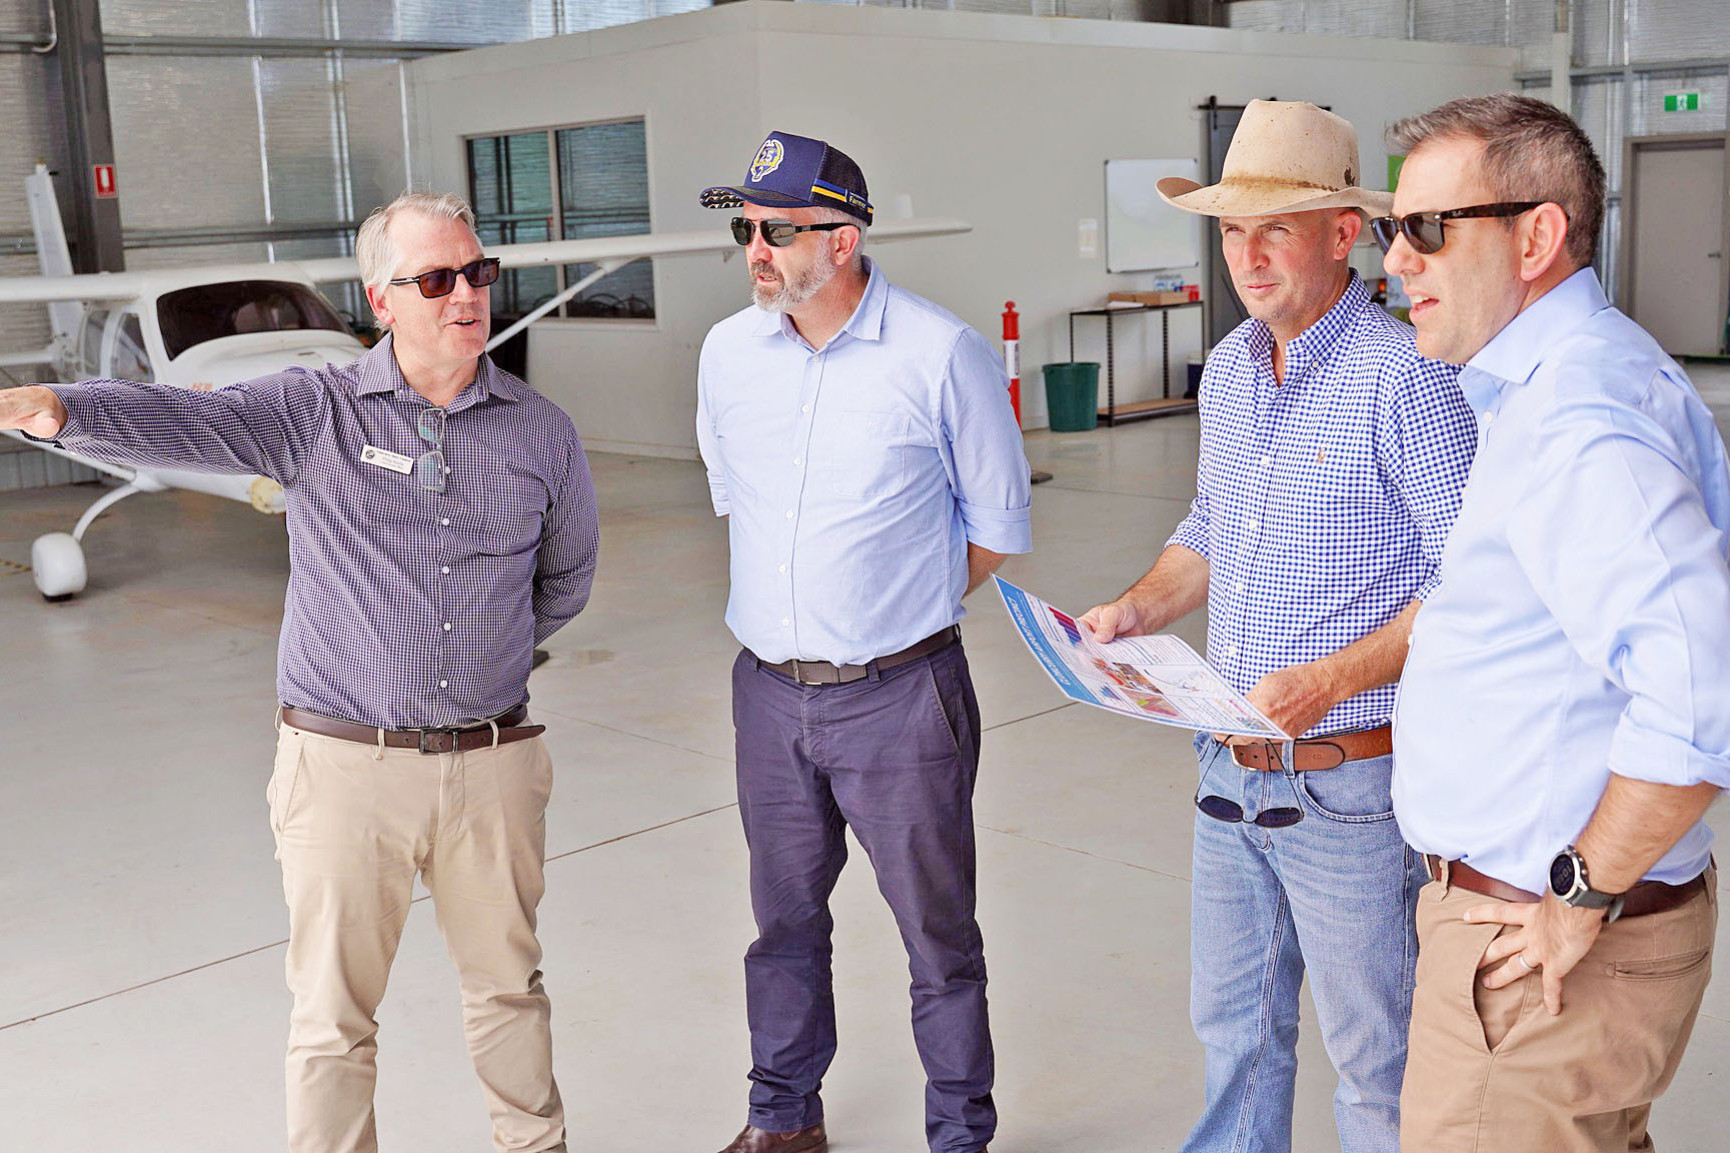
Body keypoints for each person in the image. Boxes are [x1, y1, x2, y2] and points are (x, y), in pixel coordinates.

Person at [0, 191, 599, 1153]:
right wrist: (61, 409)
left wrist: (476, 653)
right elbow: (179, 421)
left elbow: (565, 581)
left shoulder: (542, 431)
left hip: (491, 766)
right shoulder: (311, 409)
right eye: (436, 279)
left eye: (478, 274)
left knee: (509, 993)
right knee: (333, 1018)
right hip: (344, 770)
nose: (466, 298)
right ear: (382, 300)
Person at [1078, 100, 1475, 1153]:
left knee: (1372, 1059)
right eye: (1228, 231)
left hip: (1346, 783)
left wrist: (1335, 678)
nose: (1245, 257)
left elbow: (1471, 582)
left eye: (1274, 229)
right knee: (1233, 1036)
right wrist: (1135, 607)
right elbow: (1209, 527)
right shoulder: (1231, 371)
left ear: (1342, 235)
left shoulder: (1407, 379)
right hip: (1224, 767)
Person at [1379, 92, 1730, 1152]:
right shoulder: (1543, 390)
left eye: (1427, 230)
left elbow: (1696, 694)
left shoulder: (1577, 422)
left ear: (1534, 236)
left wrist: (1577, 894)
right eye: (1395, 231)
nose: (1396, 261)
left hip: (1541, 953)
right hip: (1539, 942)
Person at [693, 131, 1032, 1153]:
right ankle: (783, 1120)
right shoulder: (725, 355)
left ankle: (958, 1135)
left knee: (937, 940)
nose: (754, 249)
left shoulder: (938, 354)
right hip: (767, 696)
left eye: (776, 231)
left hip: (900, 698)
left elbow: (996, 530)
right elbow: (734, 503)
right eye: (744, 229)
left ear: (840, 241)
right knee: (782, 926)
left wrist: (893, 609)